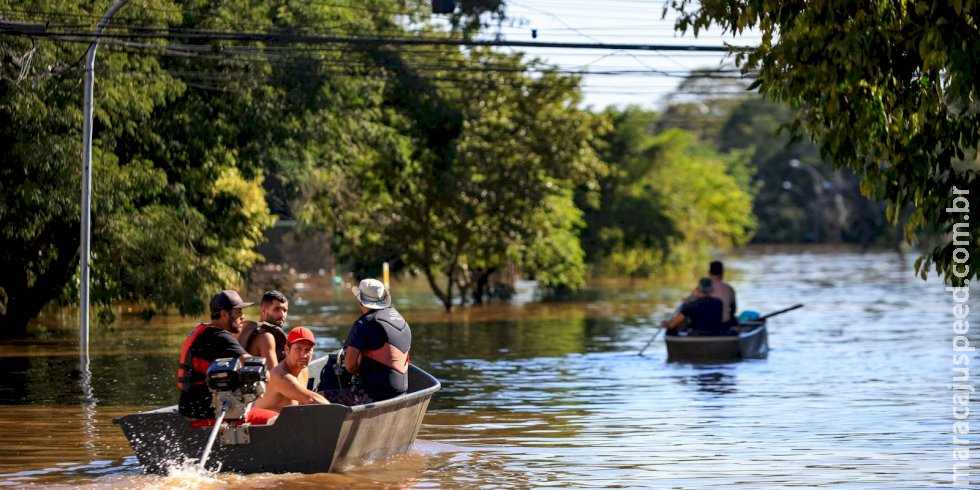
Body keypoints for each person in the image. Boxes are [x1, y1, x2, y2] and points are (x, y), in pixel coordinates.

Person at [177, 290, 279, 427]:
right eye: (239, 312)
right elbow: (255, 366)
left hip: (189, 411)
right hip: (208, 416)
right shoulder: (221, 337)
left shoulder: (202, 332)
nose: (243, 316)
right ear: (225, 314)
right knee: (277, 420)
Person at [328, 278, 412, 404]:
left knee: (318, 398)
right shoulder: (401, 320)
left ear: (360, 301)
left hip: (373, 396)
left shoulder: (363, 324)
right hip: (401, 393)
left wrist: (359, 370)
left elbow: (350, 365)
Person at [254, 327, 330, 412]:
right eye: (298, 349)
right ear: (287, 349)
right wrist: (337, 414)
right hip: (268, 420)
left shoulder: (304, 370)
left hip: (289, 418)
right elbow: (311, 399)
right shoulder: (281, 376)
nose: (303, 355)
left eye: (307, 350)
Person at [237, 290, 289, 368]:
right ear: (264, 310)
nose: (282, 315)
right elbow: (273, 373)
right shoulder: (266, 336)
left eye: (285, 310)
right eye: (276, 309)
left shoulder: (250, 330)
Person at [662, 278, 728, 336]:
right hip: (715, 336)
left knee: (670, 331)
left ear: (698, 289)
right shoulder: (719, 302)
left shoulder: (692, 305)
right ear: (711, 290)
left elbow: (672, 325)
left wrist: (665, 323)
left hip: (697, 336)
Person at [689, 260, 738, 327]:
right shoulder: (730, 289)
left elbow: (690, 304)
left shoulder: (701, 287)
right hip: (723, 325)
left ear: (709, 272)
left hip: (704, 324)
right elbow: (733, 310)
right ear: (722, 273)